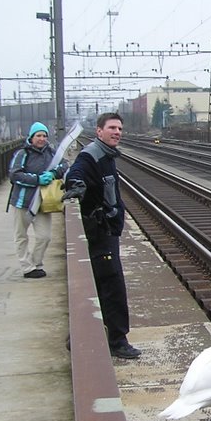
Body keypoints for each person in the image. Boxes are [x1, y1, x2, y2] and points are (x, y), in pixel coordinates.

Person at [62, 112, 141, 360]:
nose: (117, 132)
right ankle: (117, 341)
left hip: (106, 232)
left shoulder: (106, 155)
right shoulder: (92, 155)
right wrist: (75, 186)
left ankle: (79, 336)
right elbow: (76, 173)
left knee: (99, 285)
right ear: (99, 131)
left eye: (119, 128)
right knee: (111, 287)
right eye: (112, 128)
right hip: (100, 233)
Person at [7, 121, 67, 279]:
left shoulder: (51, 153)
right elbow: (14, 175)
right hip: (22, 202)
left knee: (44, 236)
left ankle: (35, 262)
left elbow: (64, 165)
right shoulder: (22, 154)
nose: (42, 139)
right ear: (31, 137)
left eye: (44, 136)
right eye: (38, 135)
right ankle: (27, 267)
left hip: (43, 202)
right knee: (21, 235)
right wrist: (37, 179)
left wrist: (54, 173)